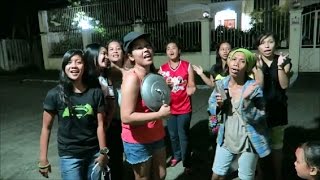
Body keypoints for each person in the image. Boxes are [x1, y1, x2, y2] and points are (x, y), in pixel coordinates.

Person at [38, 49, 108, 180]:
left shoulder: (95, 92)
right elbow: (46, 128)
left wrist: (103, 152)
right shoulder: (54, 94)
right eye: (69, 62)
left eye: (79, 62)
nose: (74, 66)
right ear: (64, 67)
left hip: (94, 153)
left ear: (85, 66)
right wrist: (43, 159)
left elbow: (100, 125)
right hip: (69, 155)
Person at [209, 48, 270, 180]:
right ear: (229, 62)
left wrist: (247, 100)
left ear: (247, 67)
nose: (236, 63)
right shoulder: (221, 84)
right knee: (217, 175)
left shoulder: (253, 87)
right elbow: (211, 107)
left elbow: (260, 116)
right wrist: (218, 106)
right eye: (234, 59)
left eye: (242, 61)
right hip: (226, 138)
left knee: (246, 177)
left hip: (249, 140)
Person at [120, 31, 171, 180]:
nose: (145, 50)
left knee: (161, 175)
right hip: (137, 140)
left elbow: (160, 105)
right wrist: (159, 115)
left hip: (156, 134)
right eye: (139, 48)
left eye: (147, 46)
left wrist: (167, 92)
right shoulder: (132, 79)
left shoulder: (155, 76)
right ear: (130, 56)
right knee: (143, 178)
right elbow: (126, 116)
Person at [255, 32, 292, 180]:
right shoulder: (254, 62)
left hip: (278, 109)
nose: (267, 45)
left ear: (275, 44)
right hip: (260, 110)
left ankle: (277, 175)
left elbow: (284, 85)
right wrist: (258, 68)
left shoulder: (285, 60)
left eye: (270, 42)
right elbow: (259, 86)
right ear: (258, 46)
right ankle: (261, 174)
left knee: (277, 146)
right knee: (260, 145)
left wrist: (280, 66)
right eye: (263, 43)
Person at [158, 39, 196, 173]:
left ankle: (187, 161)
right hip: (169, 108)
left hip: (184, 107)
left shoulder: (187, 66)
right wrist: (164, 84)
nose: (171, 50)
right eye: (168, 48)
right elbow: (158, 91)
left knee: (183, 134)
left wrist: (191, 89)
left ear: (179, 51)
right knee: (172, 135)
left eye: (174, 48)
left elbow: (191, 84)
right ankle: (177, 155)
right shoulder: (162, 70)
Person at [84, 43, 118, 180]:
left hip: (105, 128)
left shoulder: (106, 77)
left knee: (105, 163)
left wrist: (107, 122)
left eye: (106, 53)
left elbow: (111, 103)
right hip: (90, 132)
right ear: (92, 56)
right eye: (103, 53)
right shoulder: (86, 80)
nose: (106, 56)